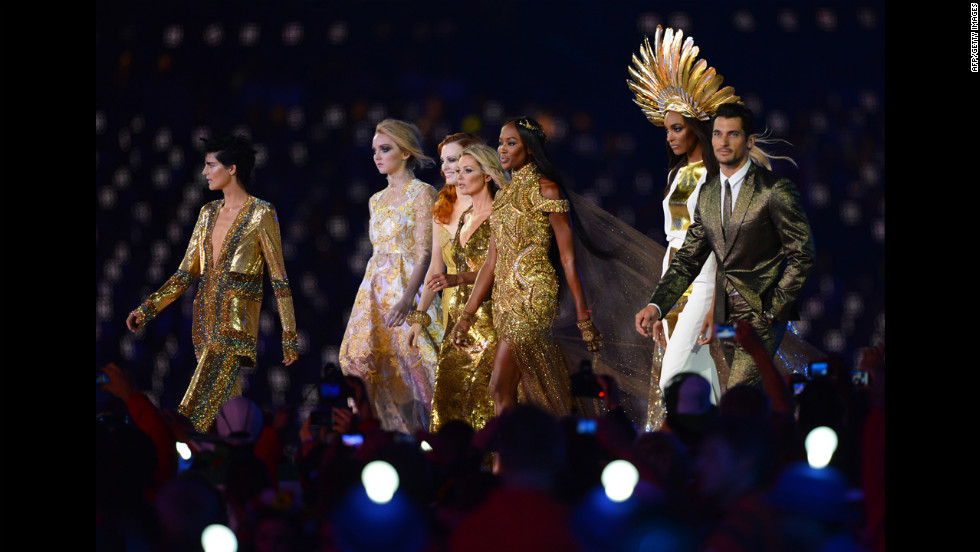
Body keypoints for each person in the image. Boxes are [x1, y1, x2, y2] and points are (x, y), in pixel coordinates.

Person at [636, 101, 815, 388]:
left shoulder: (773, 189)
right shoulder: (704, 190)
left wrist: (774, 307)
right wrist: (659, 304)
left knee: (720, 390)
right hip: (707, 296)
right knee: (707, 384)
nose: (723, 141)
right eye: (718, 133)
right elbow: (688, 256)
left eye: (732, 134)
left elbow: (802, 255)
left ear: (748, 141)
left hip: (753, 307)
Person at [127, 133, 298, 432]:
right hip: (204, 327)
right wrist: (148, 309)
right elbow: (184, 274)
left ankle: (174, 452)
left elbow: (279, 278)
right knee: (230, 413)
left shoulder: (261, 213)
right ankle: (236, 464)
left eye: (210, 165)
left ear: (231, 168)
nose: (204, 172)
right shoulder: (207, 214)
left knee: (192, 413)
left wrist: (289, 334)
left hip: (234, 330)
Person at [450, 117, 602, 418]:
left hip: (534, 297)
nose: (502, 149)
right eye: (501, 142)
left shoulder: (547, 191)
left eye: (511, 143)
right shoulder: (504, 197)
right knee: (531, 390)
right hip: (505, 303)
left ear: (529, 150)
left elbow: (568, 258)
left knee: (499, 387)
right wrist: (467, 315)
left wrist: (584, 318)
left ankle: (507, 461)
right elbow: (491, 262)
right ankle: (549, 448)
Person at [627, 27, 736, 413]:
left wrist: (713, 307)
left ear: (697, 127)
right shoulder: (677, 176)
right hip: (674, 276)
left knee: (673, 378)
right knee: (699, 376)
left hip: (705, 281)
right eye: (667, 129)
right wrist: (661, 304)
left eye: (677, 128)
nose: (670, 136)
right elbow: (675, 242)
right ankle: (715, 449)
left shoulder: (716, 175)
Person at [339, 118, 442, 434]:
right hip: (374, 289)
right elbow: (377, 251)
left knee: (419, 361)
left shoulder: (422, 193)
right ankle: (385, 435)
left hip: (407, 286)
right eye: (375, 150)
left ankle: (435, 436)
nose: (377, 156)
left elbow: (424, 253)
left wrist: (408, 298)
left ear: (406, 152)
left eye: (385, 149)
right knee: (357, 358)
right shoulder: (375, 200)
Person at [418, 144, 504, 433]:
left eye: (468, 171)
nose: (459, 175)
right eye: (459, 170)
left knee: (482, 398)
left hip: (486, 319)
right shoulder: (465, 217)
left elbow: (498, 269)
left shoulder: (499, 217)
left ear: (488, 176)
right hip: (456, 318)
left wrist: (457, 279)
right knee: (447, 399)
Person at [408, 132, 484, 346]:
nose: (446, 167)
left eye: (453, 160)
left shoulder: (495, 207)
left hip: (488, 306)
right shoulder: (442, 208)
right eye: (443, 161)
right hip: (451, 309)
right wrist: (419, 319)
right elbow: (435, 266)